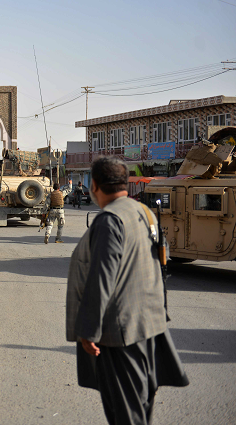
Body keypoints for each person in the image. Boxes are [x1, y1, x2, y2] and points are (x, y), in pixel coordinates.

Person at [66, 157, 188, 425]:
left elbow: (102, 278)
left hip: (119, 334)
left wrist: (88, 331)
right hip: (148, 325)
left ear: (94, 185)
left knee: (126, 414)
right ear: (124, 182)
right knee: (140, 405)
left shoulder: (109, 220)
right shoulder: (143, 212)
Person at [44, 180, 72, 244]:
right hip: (60, 211)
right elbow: (69, 190)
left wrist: (44, 212)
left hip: (52, 211)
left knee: (50, 224)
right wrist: (70, 184)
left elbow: (46, 204)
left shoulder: (50, 195)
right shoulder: (62, 193)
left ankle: (47, 234)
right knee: (60, 225)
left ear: (53, 188)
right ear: (59, 188)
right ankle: (58, 239)